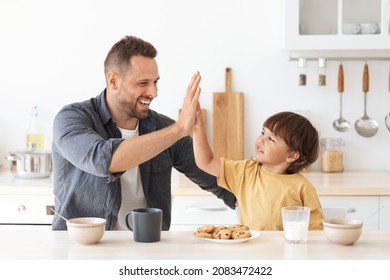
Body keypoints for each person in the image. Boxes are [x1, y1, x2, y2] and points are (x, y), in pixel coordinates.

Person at [51, 35, 236, 230]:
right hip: (82, 250)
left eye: (155, 82)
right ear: (113, 80)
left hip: (147, 249)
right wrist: (180, 129)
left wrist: (262, 192)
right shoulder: (71, 119)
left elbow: (217, 181)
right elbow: (103, 161)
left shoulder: (165, 128)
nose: (154, 92)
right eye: (143, 83)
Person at [193, 110, 324, 230]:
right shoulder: (245, 171)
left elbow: (316, 231)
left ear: (291, 155)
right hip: (251, 251)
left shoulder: (303, 187)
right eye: (263, 133)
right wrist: (198, 127)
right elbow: (206, 162)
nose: (261, 140)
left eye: (271, 139)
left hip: (285, 253)